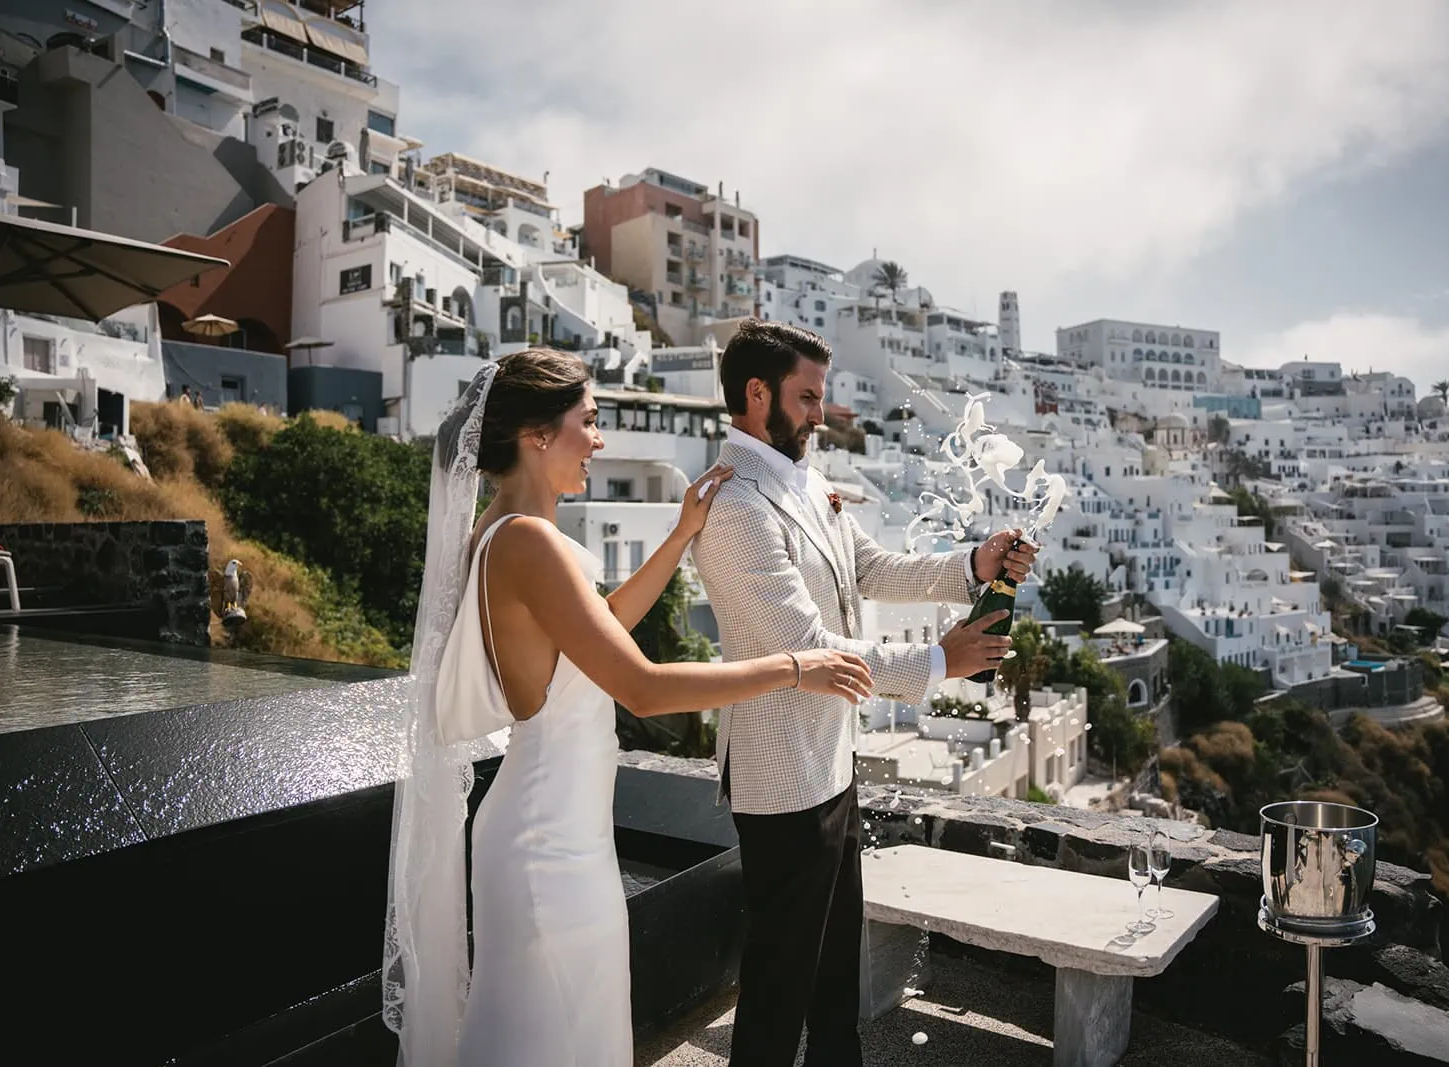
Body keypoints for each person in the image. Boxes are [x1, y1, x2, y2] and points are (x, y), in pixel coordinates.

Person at [382, 348, 874, 1067]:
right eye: (589, 420)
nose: (600, 438)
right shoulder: (528, 542)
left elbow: (602, 626)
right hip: (549, 847)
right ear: (537, 435)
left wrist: (679, 535)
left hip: (552, 828)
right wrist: (796, 666)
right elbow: (639, 685)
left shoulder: (503, 532)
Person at [692, 320, 1037, 1066]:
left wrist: (974, 564)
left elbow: (874, 570)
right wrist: (939, 661)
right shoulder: (733, 507)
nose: (822, 413)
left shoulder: (805, 480)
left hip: (833, 762)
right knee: (780, 981)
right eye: (808, 396)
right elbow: (808, 643)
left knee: (834, 971)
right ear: (757, 394)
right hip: (779, 773)